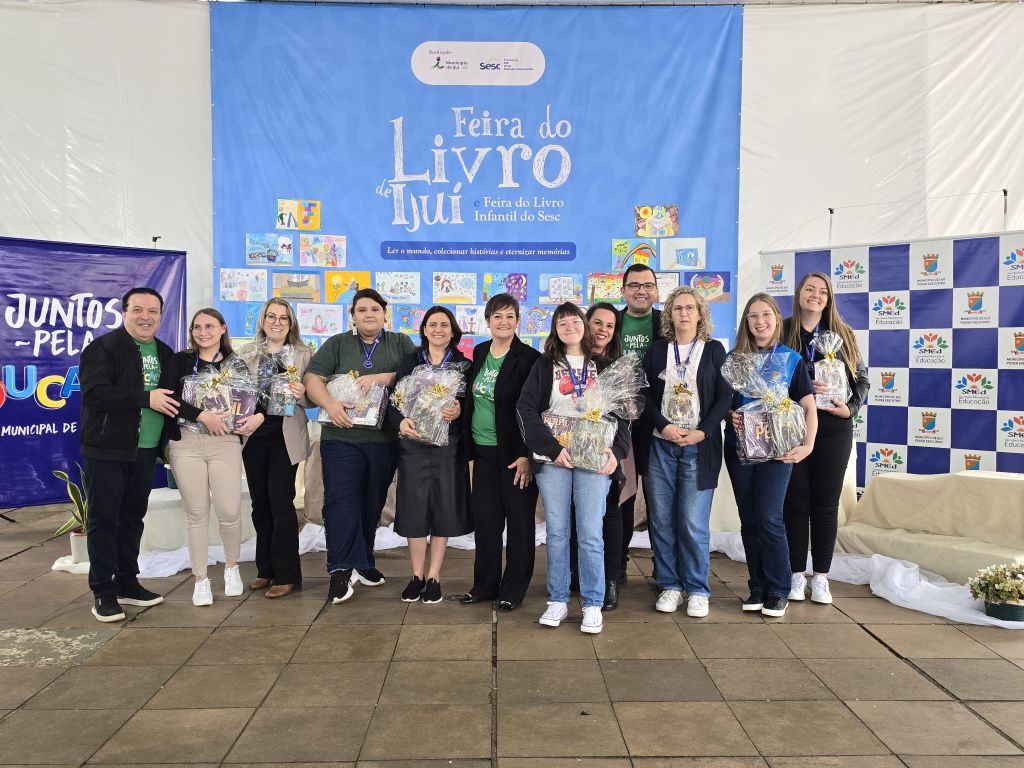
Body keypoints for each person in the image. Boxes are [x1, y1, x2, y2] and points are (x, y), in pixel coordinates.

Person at [517, 302, 630, 635]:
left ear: (584, 325)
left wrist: (617, 452)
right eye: (562, 322)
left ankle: (592, 603)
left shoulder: (604, 366)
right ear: (555, 329)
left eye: (575, 321)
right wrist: (552, 449)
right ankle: (558, 600)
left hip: (595, 458)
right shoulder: (544, 365)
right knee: (557, 532)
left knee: (591, 532)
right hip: (556, 459)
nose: (570, 327)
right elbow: (525, 409)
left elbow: (622, 415)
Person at [304, 288, 415, 604]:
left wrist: (381, 377)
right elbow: (312, 379)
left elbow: (415, 375)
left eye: (375, 309)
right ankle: (340, 570)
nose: (369, 314)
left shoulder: (400, 343)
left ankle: (364, 561)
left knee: (372, 503)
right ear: (353, 315)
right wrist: (330, 405)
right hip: (341, 438)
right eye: (362, 310)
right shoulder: (338, 343)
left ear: (384, 314)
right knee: (341, 503)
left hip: (383, 440)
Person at [79, 287, 176, 622]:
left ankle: (127, 583)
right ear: (124, 313)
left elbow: (176, 398)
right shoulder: (103, 348)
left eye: (153, 311)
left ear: (160, 316)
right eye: (138, 310)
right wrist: (146, 398)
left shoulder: (165, 352)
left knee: (133, 518)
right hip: (107, 448)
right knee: (104, 519)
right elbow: (95, 394)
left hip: (146, 450)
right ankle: (103, 592)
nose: (145, 317)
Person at [724, 293, 818, 618]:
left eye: (766, 314)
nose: (760, 321)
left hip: (777, 451)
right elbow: (722, 403)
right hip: (740, 449)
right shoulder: (735, 360)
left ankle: (779, 589)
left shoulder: (791, 359)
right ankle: (758, 586)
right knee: (749, 518)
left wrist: (808, 445)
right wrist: (731, 415)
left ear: (777, 319)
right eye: (753, 315)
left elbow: (808, 406)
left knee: (769, 517)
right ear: (746, 322)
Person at [640, 287, 731, 617]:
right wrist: (663, 425)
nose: (683, 313)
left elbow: (724, 396)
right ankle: (670, 585)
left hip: (699, 446)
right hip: (660, 444)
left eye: (690, 308)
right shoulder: (657, 350)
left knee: (692, 522)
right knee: (662, 520)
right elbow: (645, 396)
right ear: (669, 314)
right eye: (677, 308)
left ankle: (697, 588)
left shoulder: (714, 350)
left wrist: (702, 431)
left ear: (700, 313)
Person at [782, 272, 869, 604]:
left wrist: (850, 408)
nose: (815, 295)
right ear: (799, 293)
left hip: (833, 427)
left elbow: (862, 378)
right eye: (809, 289)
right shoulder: (783, 330)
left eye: (822, 291)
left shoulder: (842, 334)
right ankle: (795, 575)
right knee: (795, 503)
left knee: (826, 505)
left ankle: (821, 577)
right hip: (792, 425)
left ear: (829, 299)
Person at [460, 294, 541, 611]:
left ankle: (513, 590)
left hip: (515, 457)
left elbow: (535, 411)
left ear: (518, 321)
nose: (503, 322)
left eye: (509, 316)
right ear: (487, 321)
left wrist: (526, 455)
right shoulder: (480, 352)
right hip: (483, 454)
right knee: (486, 522)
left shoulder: (529, 358)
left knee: (519, 525)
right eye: (497, 316)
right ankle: (484, 585)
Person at [159, 308, 244, 607]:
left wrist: (251, 418)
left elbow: (249, 402)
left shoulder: (236, 363)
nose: (203, 332)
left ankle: (232, 568)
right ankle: (201, 579)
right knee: (196, 514)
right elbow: (167, 397)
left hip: (225, 442)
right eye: (197, 327)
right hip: (186, 444)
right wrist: (202, 415)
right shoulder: (180, 360)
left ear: (222, 328)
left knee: (230, 511)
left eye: (209, 326)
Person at [388, 306, 471, 604]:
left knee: (443, 509)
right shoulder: (410, 362)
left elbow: (471, 406)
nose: (438, 330)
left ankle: (434, 576)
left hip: (448, 447)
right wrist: (400, 422)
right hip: (414, 445)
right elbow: (393, 401)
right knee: (414, 509)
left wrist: (459, 410)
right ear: (424, 330)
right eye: (432, 324)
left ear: (453, 331)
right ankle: (416, 575)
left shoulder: (463, 364)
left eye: (444, 325)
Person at [234, 298, 311, 599]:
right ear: (263, 320)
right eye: (271, 316)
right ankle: (265, 569)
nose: (276, 322)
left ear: (291, 324)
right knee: (260, 504)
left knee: (281, 502)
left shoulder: (303, 354)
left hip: (284, 436)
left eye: (283, 318)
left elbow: (314, 399)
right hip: (253, 437)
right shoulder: (247, 353)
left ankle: (287, 573)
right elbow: (237, 393)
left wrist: (302, 393)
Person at [568, 303, 625, 609]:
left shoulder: (614, 368)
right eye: (597, 323)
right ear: (584, 324)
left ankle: (610, 580)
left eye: (610, 325)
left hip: (603, 453)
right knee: (573, 514)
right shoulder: (563, 362)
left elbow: (624, 419)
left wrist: (616, 452)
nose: (603, 330)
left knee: (609, 514)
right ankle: (578, 573)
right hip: (567, 451)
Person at [616, 263, 665, 582]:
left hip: (659, 418)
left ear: (656, 291)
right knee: (622, 491)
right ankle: (617, 563)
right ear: (623, 290)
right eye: (634, 285)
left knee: (660, 494)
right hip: (620, 420)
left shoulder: (667, 324)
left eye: (647, 285)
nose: (641, 291)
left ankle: (664, 568)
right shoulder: (611, 321)